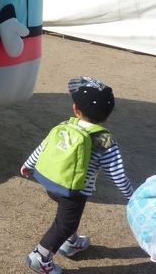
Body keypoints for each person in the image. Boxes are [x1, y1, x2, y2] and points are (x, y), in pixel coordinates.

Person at [20, 77, 134, 274]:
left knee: (68, 218)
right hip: (73, 191)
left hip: (50, 181)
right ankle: (39, 257)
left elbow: (44, 146)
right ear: (108, 116)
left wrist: (28, 165)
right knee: (65, 223)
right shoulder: (104, 140)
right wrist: (132, 195)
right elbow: (117, 173)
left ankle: (71, 243)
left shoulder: (66, 124)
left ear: (76, 109)